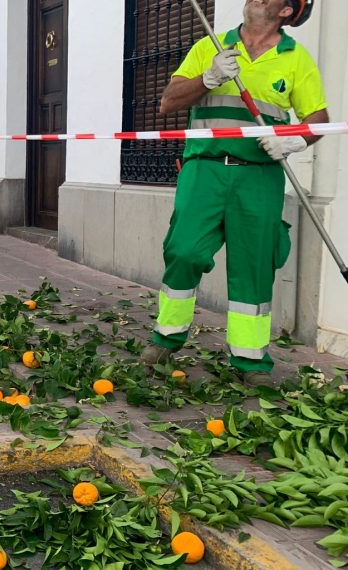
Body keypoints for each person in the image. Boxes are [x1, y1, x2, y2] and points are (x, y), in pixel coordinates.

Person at [142, 0, 328, 386]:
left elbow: (319, 121)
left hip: (259, 176)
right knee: (184, 250)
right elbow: (167, 102)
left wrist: (292, 142)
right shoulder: (210, 45)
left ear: (287, 12)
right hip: (203, 170)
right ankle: (167, 336)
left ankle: (250, 360)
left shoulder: (295, 60)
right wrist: (207, 78)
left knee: (254, 264)